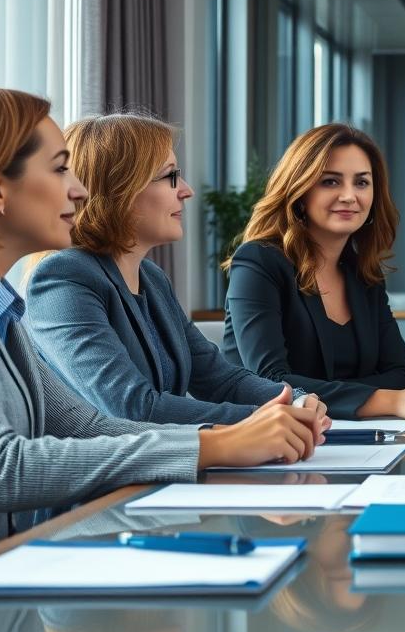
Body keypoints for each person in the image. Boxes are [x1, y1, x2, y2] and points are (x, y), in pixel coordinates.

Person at [0, 88, 328, 568]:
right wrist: (216, 444)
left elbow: (87, 427)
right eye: (60, 168)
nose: (80, 189)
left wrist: (237, 437)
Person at [27, 114, 312, 424]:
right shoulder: (63, 279)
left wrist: (296, 401)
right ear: (119, 188)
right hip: (105, 470)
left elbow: (218, 377)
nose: (187, 190)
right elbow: (133, 407)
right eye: (171, 176)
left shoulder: (152, 279)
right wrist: (262, 419)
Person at [223, 123, 405, 420]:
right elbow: (271, 383)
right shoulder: (259, 261)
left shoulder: (364, 274)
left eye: (361, 183)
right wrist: (389, 401)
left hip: (355, 439)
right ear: (299, 189)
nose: (350, 196)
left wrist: (329, 394)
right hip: (268, 441)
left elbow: (403, 375)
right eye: (330, 182)